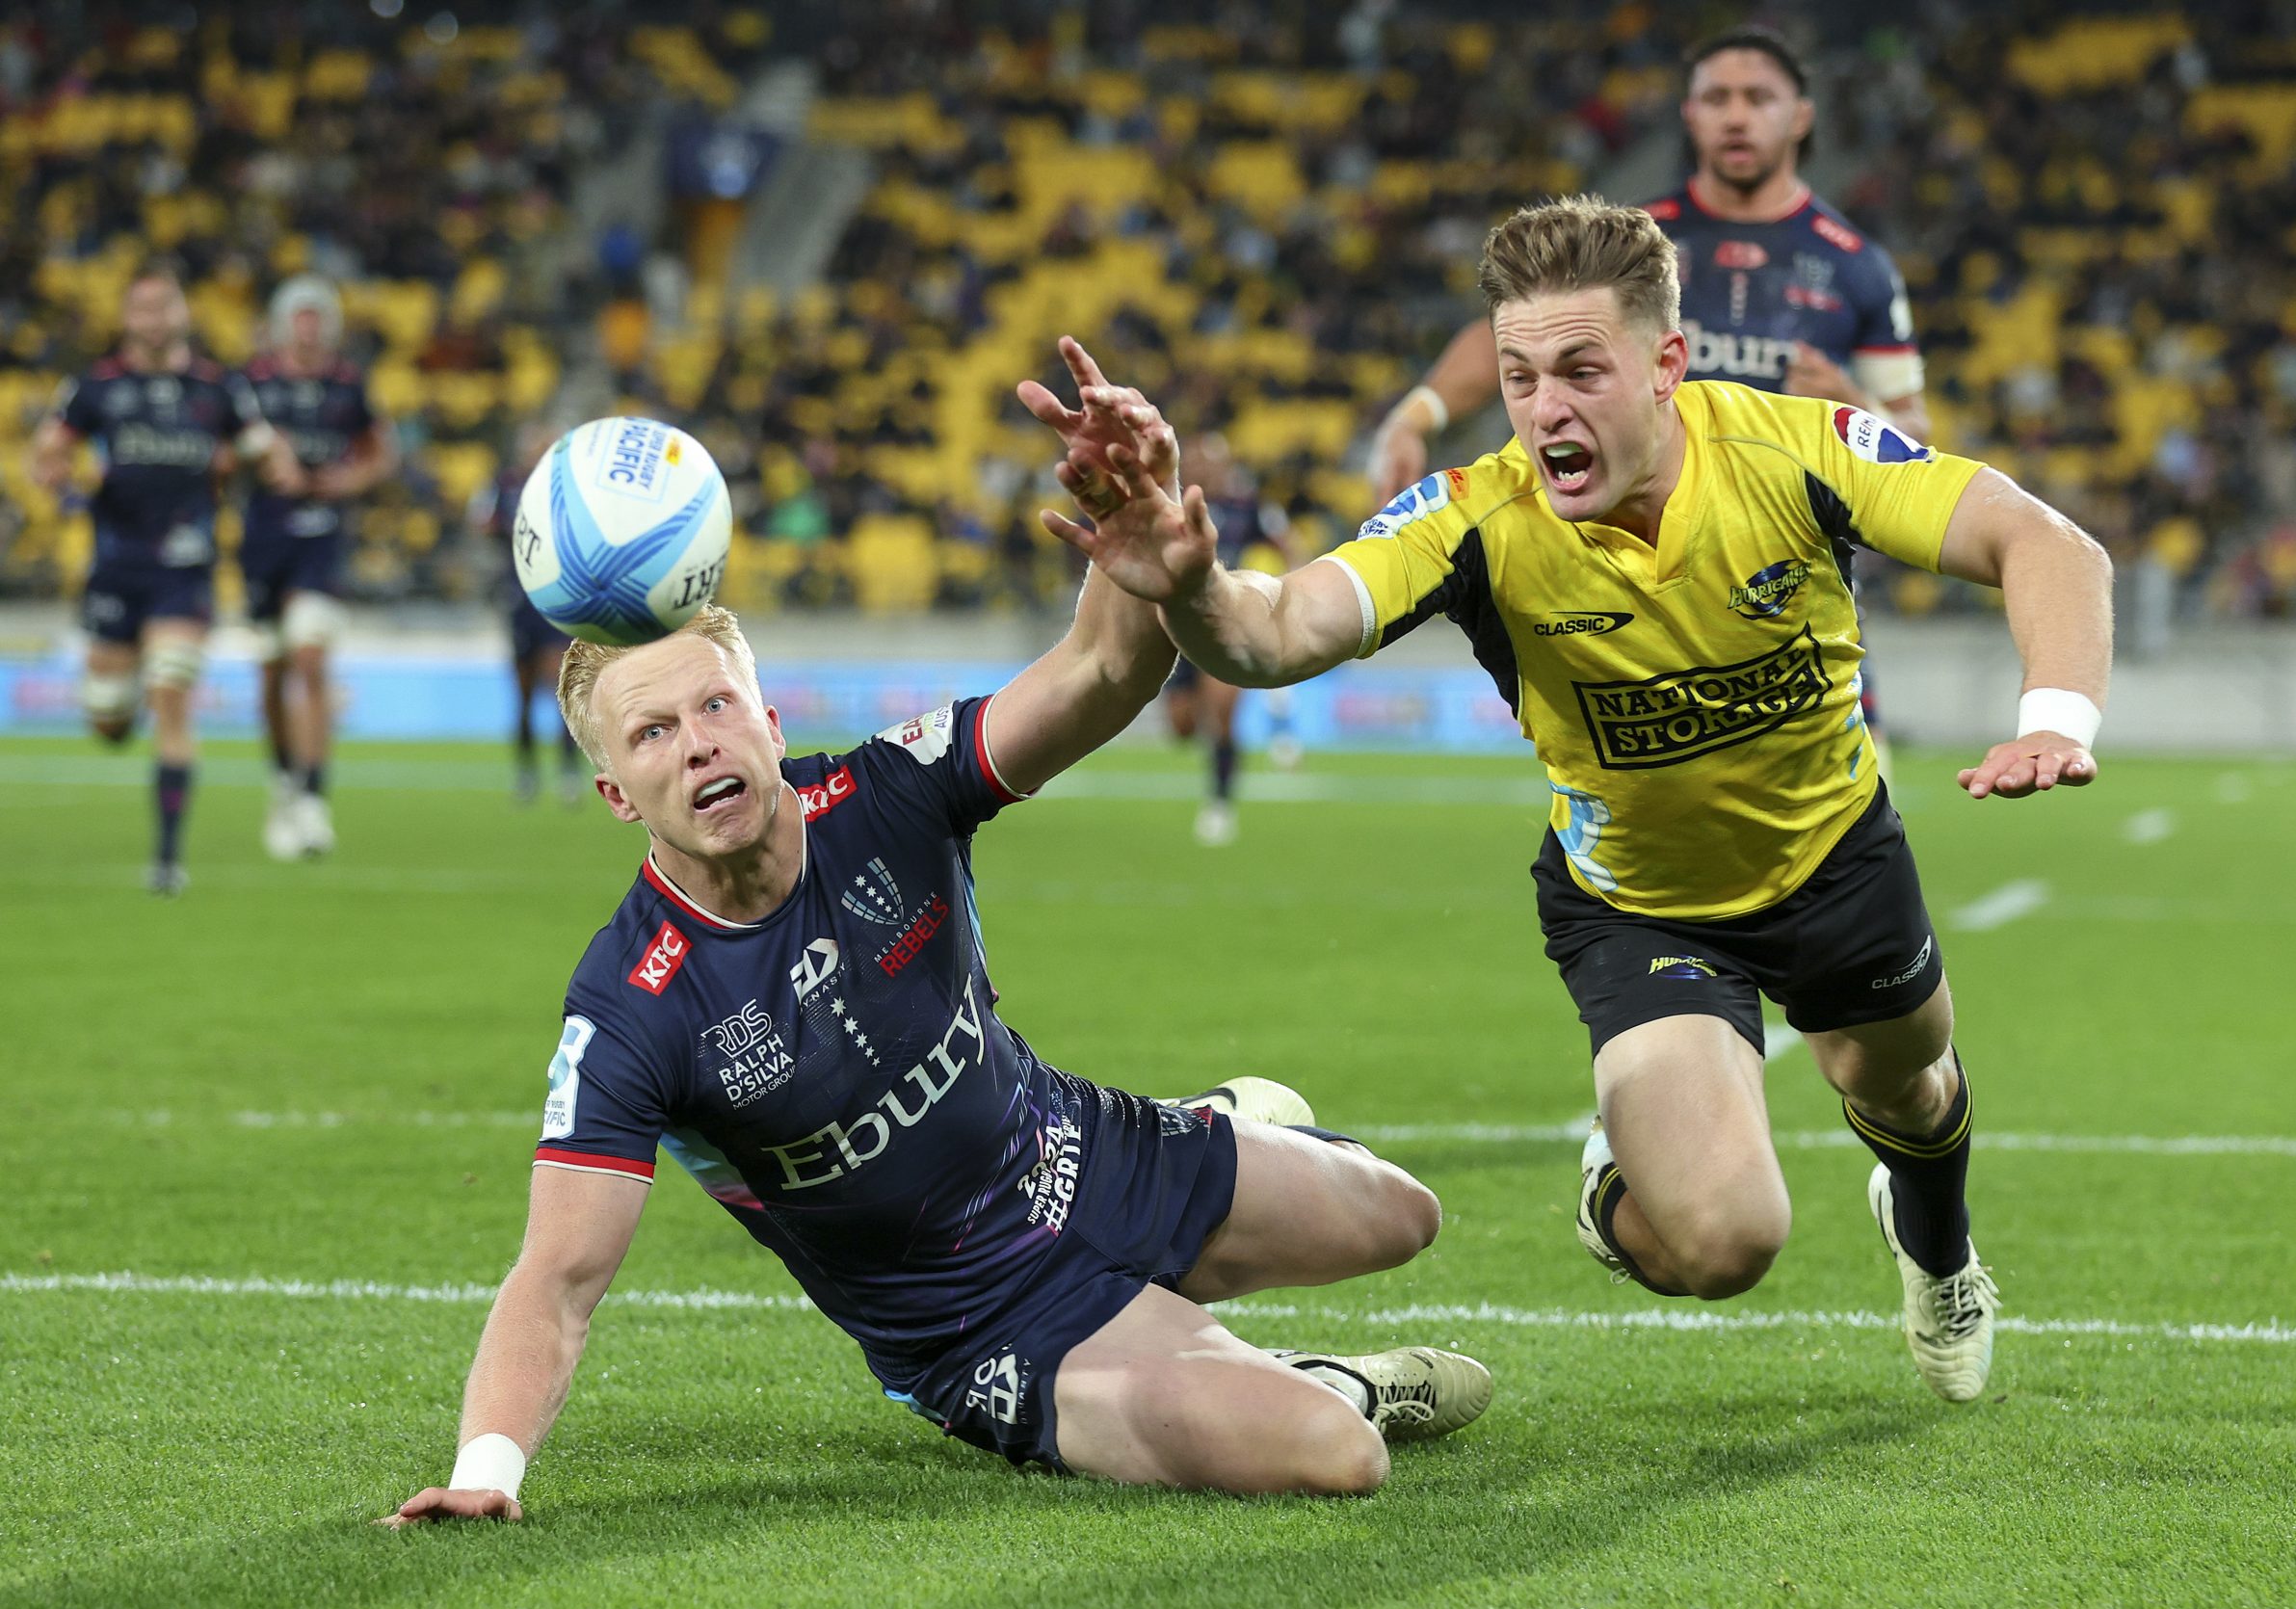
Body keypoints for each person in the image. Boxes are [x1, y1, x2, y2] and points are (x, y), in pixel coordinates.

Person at [379, 344, 1490, 1527]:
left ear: (766, 717)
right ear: (614, 796)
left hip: (1076, 1150)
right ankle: (1320, 1381)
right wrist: (484, 1474)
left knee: (1400, 1214)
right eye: (651, 735)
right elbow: (558, 1279)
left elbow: (1104, 670)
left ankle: (1206, 1139)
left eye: (714, 708)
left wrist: (1140, 551)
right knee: (1334, 1452)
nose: (699, 745)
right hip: (985, 1324)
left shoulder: (885, 795)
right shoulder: (633, 1003)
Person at [1049, 199, 2115, 1404]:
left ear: (1667, 366)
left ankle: (1940, 1253)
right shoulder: (1474, 518)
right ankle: (1621, 1180)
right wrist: (1187, 583)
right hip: (1639, 907)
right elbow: (1277, 629)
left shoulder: (1795, 450)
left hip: (1834, 858)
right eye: (1516, 377)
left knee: (1907, 1088)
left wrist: (2053, 720)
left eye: (1577, 370)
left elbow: (2050, 546)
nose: (1543, 408)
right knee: (1723, 1244)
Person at [1370, 27, 1928, 779]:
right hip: (1631, 578)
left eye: (1757, 98)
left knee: (1855, 810)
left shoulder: (1858, 267)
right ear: (1688, 117)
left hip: (1789, 584)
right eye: (1715, 99)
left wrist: (1858, 403)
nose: (1736, 116)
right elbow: (1511, 327)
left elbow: (1916, 442)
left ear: (1801, 116)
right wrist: (1417, 414)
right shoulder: (1629, 243)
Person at [28, 261, 301, 895]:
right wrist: (59, 476)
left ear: (183, 312)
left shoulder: (217, 388)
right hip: (115, 568)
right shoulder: (94, 388)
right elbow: (49, 450)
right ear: (127, 317)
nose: (155, 318)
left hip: (185, 567)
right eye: (143, 308)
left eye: (165, 305)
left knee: (171, 694)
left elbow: (264, 444)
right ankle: (121, 711)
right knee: (110, 722)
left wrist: (277, 464)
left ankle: (167, 859)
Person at [243, 275, 398, 859]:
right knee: (270, 673)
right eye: (299, 317)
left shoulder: (348, 385)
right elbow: (225, 449)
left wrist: (348, 480)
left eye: (317, 317)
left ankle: (311, 797)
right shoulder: (253, 384)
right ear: (284, 325)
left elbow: (382, 452)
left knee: (309, 657)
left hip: (321, 538)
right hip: (263, 540)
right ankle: (283, 781)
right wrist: (263, 458)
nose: (309, 327)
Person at [1161, 433, 1293, 845]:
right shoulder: (1173, 508)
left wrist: (1289, 590)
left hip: (1226, 619)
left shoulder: (1248, 506)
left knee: (1222, 714)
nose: (1208, 469)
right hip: (1177, 624)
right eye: (1201, 462)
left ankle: (1219, 804)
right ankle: (1275, 723)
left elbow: (1286, 546)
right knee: (1181, 727)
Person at [483, 427, 583, 804]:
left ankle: (568, 772)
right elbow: (483, 521)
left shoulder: (568, 492)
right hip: (520, 598)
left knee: (560, 689)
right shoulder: (505, 484)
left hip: (556, 598)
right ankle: (527, 772)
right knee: (523, 693)